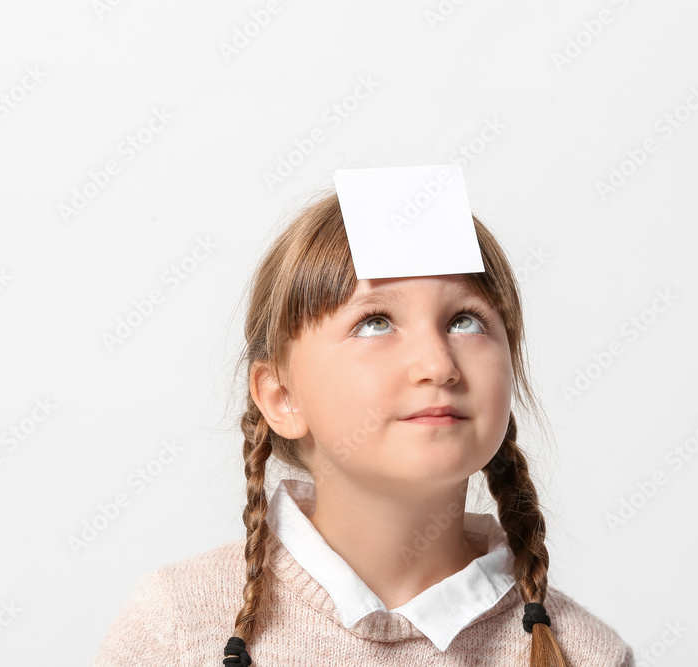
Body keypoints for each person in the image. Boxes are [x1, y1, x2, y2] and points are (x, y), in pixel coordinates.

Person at [92, 186, 635, 666]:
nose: (438, 365)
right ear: (282, 397)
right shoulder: (176, 632)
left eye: (465, 321)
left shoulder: (585, 654)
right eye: (375, 322)